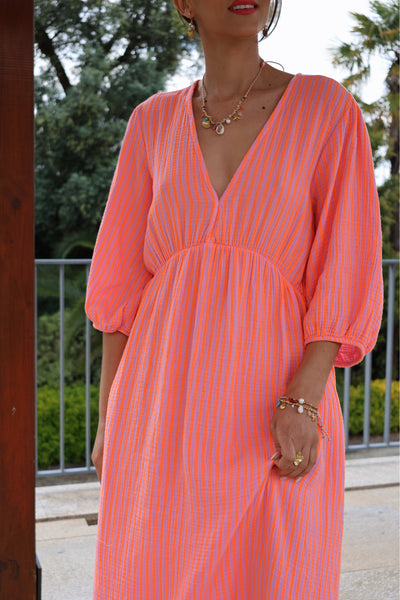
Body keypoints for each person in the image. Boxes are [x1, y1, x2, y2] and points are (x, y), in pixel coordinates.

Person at [85, 1, 384, 598]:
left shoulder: (326, 109)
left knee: (276, 572)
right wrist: (109, 422)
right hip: (161, 412)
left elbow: (346, 263)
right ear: (184, 4)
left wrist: (302, 402)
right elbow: (120, 289)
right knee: (154, 574)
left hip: (271, 407)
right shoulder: (151, 123)